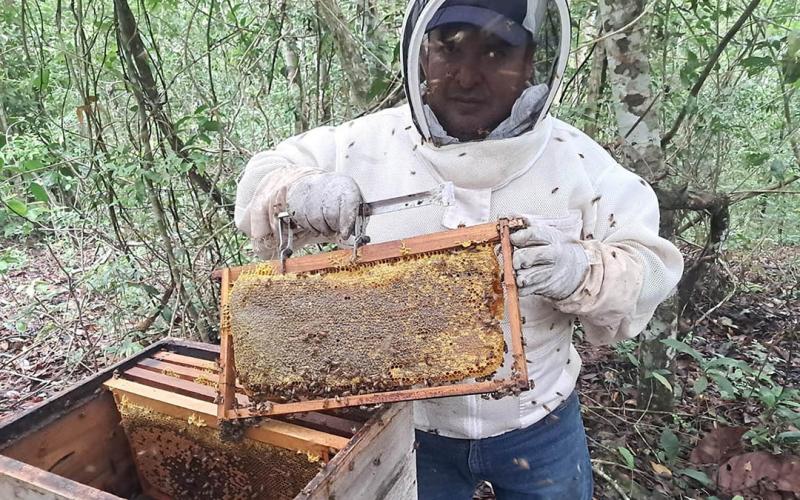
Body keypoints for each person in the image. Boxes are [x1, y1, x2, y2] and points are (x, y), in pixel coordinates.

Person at [234, 0, 684, 498]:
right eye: (449, 49)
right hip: (408, 425)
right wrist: (296, 189)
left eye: (496, 52)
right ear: (422, 55)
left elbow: (652, 268)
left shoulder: (578, 162)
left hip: (541, 423)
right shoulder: (364, 144)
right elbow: (263, 176)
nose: (467, 76)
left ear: (531, 64)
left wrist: (585, 269)